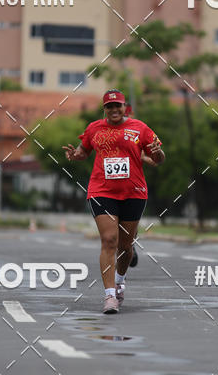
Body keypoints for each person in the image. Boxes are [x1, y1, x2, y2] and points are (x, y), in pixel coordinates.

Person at [63, 89, 164, 314]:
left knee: (125, 247)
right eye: (109, 106)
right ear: (104, 109)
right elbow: (83, 151)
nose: (114, 110)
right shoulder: (94, 129)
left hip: (133, 192)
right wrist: (75, 155)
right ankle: (109, 296)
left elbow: (158, 158)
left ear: (124, 106)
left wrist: (157, 153)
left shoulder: (140, 128)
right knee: (109, 240)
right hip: (102, 190)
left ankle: (120, 281)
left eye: (118, 105)